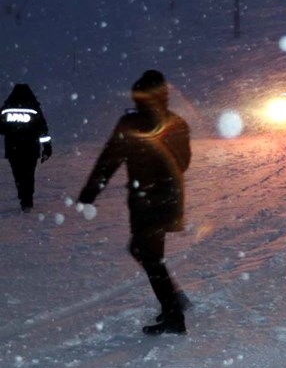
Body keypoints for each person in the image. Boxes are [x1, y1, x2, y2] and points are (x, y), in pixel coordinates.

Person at [78, 70, 192, 336]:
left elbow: (109, 160)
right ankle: (174, 302)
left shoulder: (131, 123)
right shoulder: (176, 122)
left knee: (148, 255)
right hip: (167, 200)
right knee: (147, 253)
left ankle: (174, 315)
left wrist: (90, 192)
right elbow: (183, 163)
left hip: (148, 202)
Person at [1, 84, 52, 212]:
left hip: (13, 149)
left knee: (18, 175)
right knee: (29, 174)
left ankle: (23, 197)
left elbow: (0, 128)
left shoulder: (6, 110)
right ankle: (27, 199)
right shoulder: (34, 109)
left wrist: (12, 129)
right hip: (30, 149)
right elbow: (42, 130)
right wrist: (47, 148)